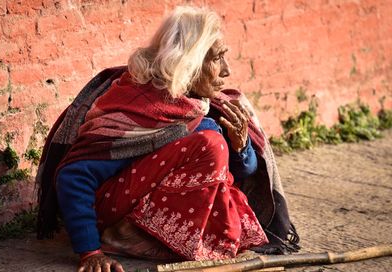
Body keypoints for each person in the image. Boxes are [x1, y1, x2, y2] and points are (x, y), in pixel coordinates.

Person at [36, 6, 299, 272]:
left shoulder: (203, 106)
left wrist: (241, 146)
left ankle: (151, 236)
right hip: (109, 207)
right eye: (217, 58)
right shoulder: (140, 104)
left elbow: (241, 171)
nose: (227, 70)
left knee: (229, 190)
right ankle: (123, 237)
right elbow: (73, 176)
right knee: (210, 144)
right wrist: (89, 251)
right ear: (190, 62)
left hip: (146, 202)